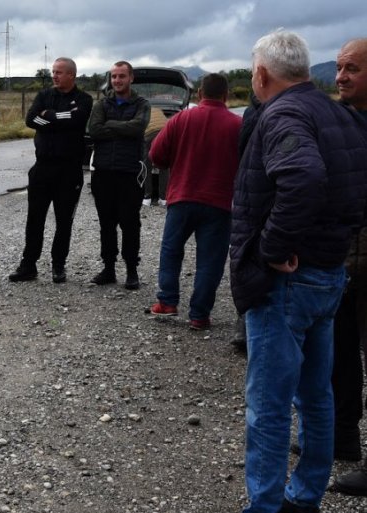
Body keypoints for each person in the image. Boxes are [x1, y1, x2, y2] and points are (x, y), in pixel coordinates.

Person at [230, 30, 367, 513]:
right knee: (316, 396)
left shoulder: (284, 113)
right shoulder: (341, 114)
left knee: (268, 405)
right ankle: (305, 495)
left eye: (252, 73)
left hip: (288, 280)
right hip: (329, 274)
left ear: (263, 75)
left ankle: (265, 506)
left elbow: (303, 177)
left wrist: (272, 247)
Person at [147, 73, 242, 330]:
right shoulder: (238, 125)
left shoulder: (181, 119)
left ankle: (167, 302)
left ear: (200, 94)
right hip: (219, 203)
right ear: (226, 96)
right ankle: (199, 314)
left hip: (182, 196)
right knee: (210, 260)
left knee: (171, 250)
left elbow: (156, 154)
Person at [8, 57, 93, 283]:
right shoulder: (44, 95)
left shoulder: (84, 99)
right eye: (53, 71)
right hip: (42, 168)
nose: (54, 75)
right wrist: (57, 120)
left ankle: (58, 265)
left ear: (71, 75)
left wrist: (49, 116)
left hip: (69, 170)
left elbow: (77, 119)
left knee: (64, 221)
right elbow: (30, 119)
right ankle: (28, 265)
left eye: (59, 72)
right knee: (34, 219)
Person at [327, 37, 367, 496]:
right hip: (342, 259)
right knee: (337, 354)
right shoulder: (342, 120)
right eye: (338, 68)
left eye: (351, 69)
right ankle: (342, 439)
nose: (340, 78)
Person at [87, 61, 151, 290]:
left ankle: (132, 270)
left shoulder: (142, 104)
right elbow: (93, 129)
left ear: (131, 78)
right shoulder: (102, 104)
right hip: (103, 172)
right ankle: (108, 268)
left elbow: (138, 127)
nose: (117, 80)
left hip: (129, 173)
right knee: (106, 223)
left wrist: (110, 126)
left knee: (130, 223)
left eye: (121, 76)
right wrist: (121, 127)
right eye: (114, 76)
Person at [230, 95, 263, 353]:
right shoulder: (253, 112)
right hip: (256, 196)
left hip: (254, 197)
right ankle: (247, 327)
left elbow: (243, 151)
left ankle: (246, 327)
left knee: (247, 260)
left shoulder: (254, 112)